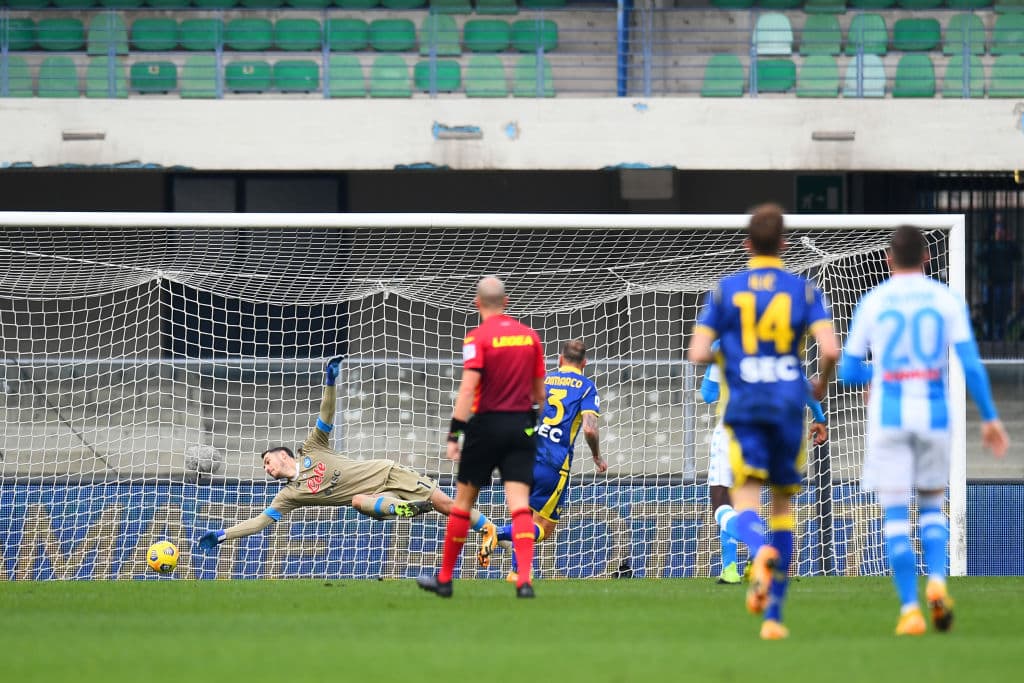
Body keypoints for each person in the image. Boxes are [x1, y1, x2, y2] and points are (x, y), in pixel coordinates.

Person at [839, 224, 1009, 636]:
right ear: (928, 257)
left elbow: (846, 372)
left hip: (890, 416)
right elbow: (970, 364)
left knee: (895, 517)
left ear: (888, 258)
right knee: (932, 508)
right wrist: (989, 417)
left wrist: (882, 372)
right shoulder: (945, 299)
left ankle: (911, 610)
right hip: (933, 414)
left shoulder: (873, 301)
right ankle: (936, 581)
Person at [688, 203, 839, 640]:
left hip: (744, 411)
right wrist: (820, 386)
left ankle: (759, 557)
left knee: (745, 499)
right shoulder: (804, 290)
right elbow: (829, 351)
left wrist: (733, 358)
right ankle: (774, 617)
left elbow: (698, 354)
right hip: (787, 407)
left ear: (747, 244)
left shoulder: (725, 292)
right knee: (783, 508)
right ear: (785, 244)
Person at [196, 356, 496, 552]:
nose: (267, 468)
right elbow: (259, 522)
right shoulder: (289, 496)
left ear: (284, 454)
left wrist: (330, 383)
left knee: (446, 504)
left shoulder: (312, 447)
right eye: (265, 466)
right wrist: (223, 535)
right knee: (356, 501)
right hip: (373, 499)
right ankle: (403, 509)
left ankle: (489, 529)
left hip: (387, 473)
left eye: (267, 461)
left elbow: (325, 416)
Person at [416, 276, 546, 599]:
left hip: (485, 427)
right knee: (520, 507)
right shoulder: (530, 337)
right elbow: (539, 394)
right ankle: (524, 581)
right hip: (520, 427)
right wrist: (531, 424)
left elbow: (468, 388)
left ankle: (445, 580)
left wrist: (454, 435)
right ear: (507, 302)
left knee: (462, 505)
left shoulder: (477, 337)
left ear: (477, 303)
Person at [699, 339, 828, 585]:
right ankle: (737, 569)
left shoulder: (723, 344)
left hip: (733, 430)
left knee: (721, 503)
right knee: (748, 502)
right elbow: (803, 386)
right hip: (770, 433)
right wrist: (819, 417)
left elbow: (708, 395)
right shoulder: (777, 342)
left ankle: (757, 552)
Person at [477, 339, 607, 582]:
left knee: (523, 516)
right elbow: (590, 429)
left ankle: (518, 572)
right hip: (553, 462)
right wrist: (596, 456)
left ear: (559, 359)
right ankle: (497, 532)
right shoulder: (587, 387)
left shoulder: (543, 380)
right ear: (585, 363)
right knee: (543, 528)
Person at [976, 213, 1020, 341]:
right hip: (990, 282)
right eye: (996, 225)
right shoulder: (986, 241)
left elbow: (1018, 255)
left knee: (1004, 310)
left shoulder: (1008, 242)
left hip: (1006, 281)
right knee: (990, 310)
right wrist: (992, 244)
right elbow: (979, 256)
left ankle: (1001, 337)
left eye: (1001, 225)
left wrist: (1009, 241)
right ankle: (989, 336)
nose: (999, 229)